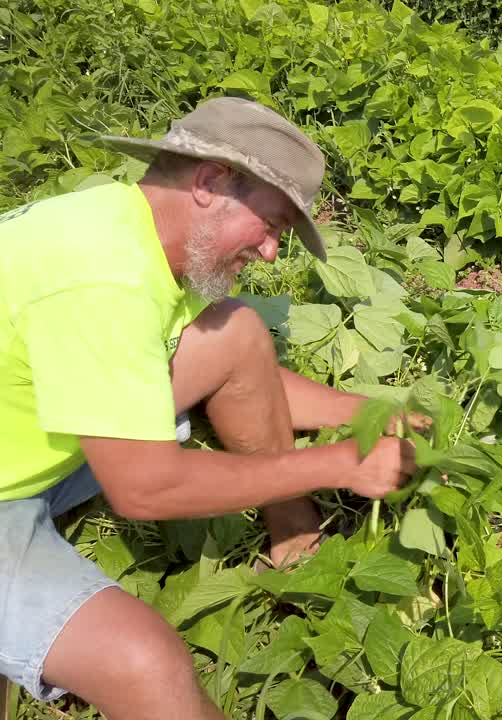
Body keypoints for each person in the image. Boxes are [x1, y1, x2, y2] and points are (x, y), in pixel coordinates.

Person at [0, 97, 419, 719]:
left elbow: (234, 363)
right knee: (143, 663)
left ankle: (297, 547)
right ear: (211, 181)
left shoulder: (126, 227)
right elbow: (147, 488)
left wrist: (367, 413)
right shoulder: (101, 280)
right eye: (271, 225)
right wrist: (339, 464)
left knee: (235, 332)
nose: (271, 252)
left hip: (33, 432)